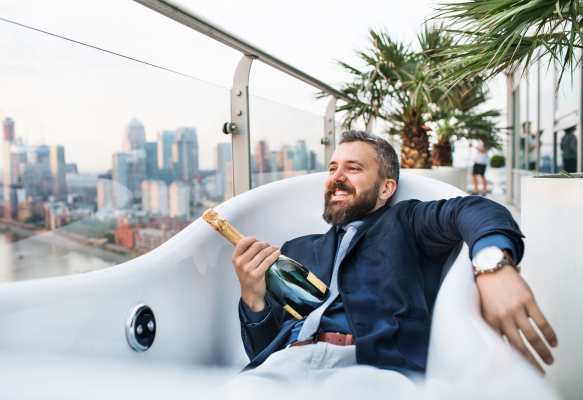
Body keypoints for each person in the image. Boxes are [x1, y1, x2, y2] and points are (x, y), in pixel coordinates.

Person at [224, 130, 556, 394]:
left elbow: (475, 209)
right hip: (281, 370)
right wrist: (253, 299)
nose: (336, 177)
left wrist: (492, 266)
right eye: (332, 169)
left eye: (353, 168)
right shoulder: (297, 249)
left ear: (386, 188)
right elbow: (263, 351)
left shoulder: (407, 223)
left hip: (372, 370)